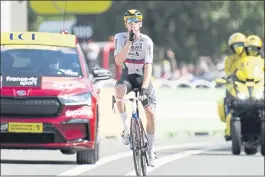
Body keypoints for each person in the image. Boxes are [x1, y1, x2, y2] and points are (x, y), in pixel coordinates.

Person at [113, 9, 157, 166]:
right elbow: (118, 61)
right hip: (128, 76)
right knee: (118, 91)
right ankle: (126, 129)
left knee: (150, 113)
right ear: (126, 24)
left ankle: (151, 150)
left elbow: (148, 67)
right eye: (130, 21)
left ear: (141, 23)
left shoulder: (146, 41)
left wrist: (145, 87)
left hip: (142, 78)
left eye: (136, 21)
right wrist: (129, 43)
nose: (133, 24)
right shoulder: (120, 38)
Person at [218, 32, 247, 141]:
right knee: (228, 100)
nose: (238, 47)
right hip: (235, 85)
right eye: (236, 45)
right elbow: (228, 72)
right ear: (232, 47)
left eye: (241, 44)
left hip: (249, 85)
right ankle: (228, 126)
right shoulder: (229, 60)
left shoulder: (250, 58)